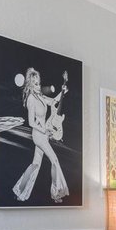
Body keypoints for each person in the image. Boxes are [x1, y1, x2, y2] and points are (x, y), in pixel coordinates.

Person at [12, 67, 68, 203]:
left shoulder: (40, 96)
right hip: (38, 135)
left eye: (39, 82)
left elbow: (53, 102)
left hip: (43, 134)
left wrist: (62, 91)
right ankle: (56, 194)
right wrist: (44, 131)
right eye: (35, 83)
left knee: (35, 164)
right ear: (30, 85)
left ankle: (20, 191)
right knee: (54, 160)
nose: (38, 85)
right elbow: (31, 122)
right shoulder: (31, 99)